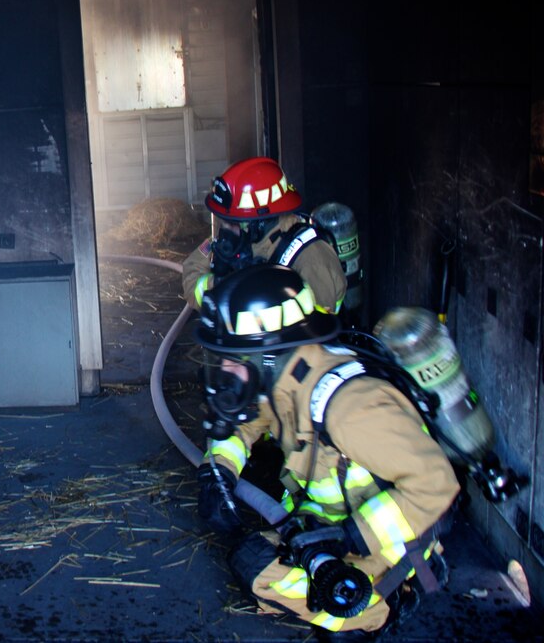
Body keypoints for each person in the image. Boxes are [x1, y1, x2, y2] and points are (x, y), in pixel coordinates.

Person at [192, 264, 459, 640]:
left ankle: (375, 610)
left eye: (233, 358)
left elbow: (436, 484)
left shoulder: (351, 410)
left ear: (268, 355)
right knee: (252, 556)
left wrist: (351, 536)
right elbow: (245, 422)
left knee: (256, 568)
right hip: (325, 526)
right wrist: (218, 470)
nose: (224, 368)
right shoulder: (289, 381)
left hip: (386, 543)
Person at [182, 156, 346, 315]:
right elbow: (191, 275)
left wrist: (240, 290)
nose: (223, 230)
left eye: (231, 222)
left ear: (260, 223)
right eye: (222, 221)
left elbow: (315, 332)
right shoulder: (236, 238)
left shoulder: (312, 259)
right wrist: (220, 284)